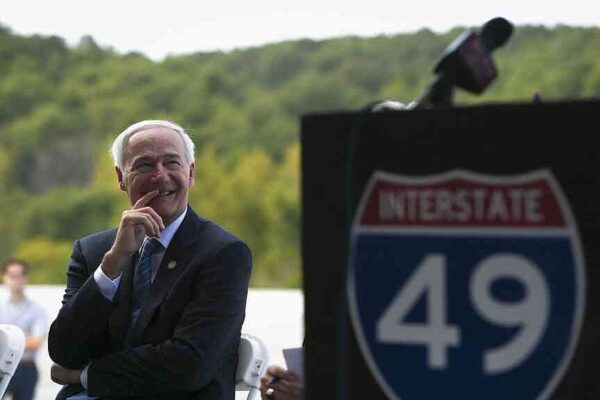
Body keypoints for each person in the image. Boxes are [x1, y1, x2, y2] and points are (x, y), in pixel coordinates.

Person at [48, 120, 252, 399]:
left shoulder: (223, 253)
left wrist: (87, 375)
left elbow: (189, 364)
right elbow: (64, 352)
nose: (160, 176)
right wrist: (112, 265)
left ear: (191, 173)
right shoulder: (93, 251)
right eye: (144, 165)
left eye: (172, 163)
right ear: (121, 177)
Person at [0, 258, 48, 400]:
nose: (15, 280)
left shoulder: (37, 309)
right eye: (11, 275)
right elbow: (30, 341)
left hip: (26, 369)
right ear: (4, 277)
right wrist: (24, 338)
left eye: (19, 275)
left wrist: (6, 339)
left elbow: (36, 343)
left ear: (26, 277)